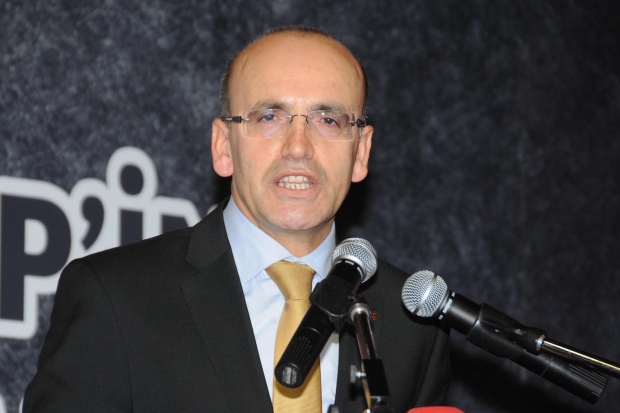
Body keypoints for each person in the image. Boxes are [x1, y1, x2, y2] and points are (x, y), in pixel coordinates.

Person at [23, 26, 450, 413]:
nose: (298, 147)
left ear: (360, 152)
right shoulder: (115, 297)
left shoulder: (411, 324)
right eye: (269, 117)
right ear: (223, 147)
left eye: (328, 120)